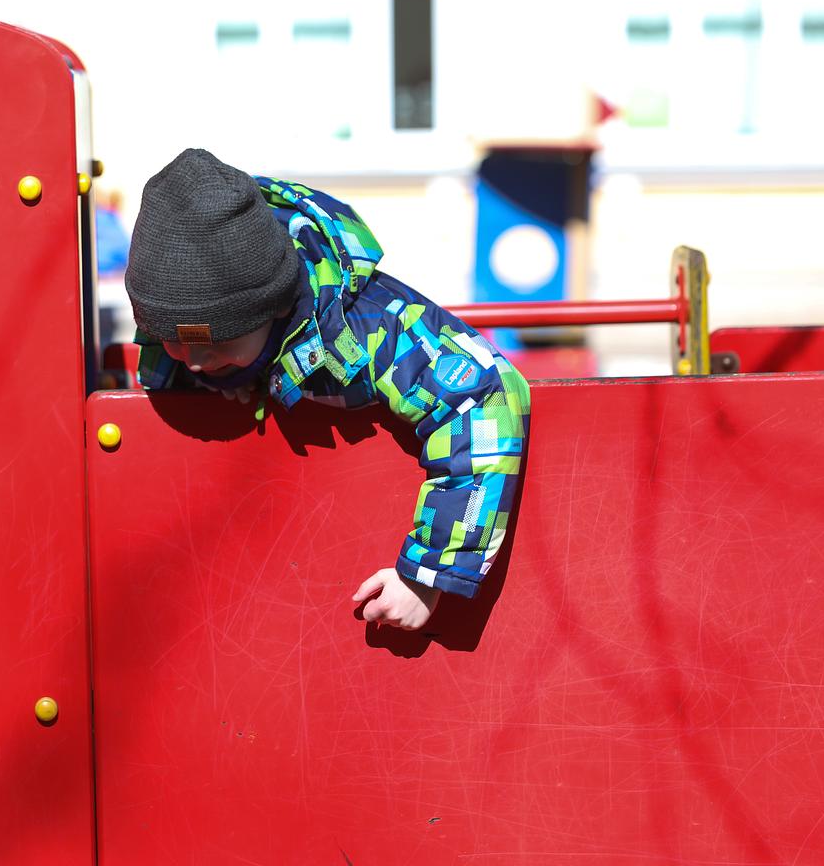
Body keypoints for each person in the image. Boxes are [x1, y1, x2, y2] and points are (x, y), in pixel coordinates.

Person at [125, 148, 530, 631]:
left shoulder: (372, 327)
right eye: (170, 341)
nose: (192, 361)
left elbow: (487, 396)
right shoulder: (190, 315)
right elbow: (191, 353)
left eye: (219, 346)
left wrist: (430, 574)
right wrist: (230, 374)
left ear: (274, 308)